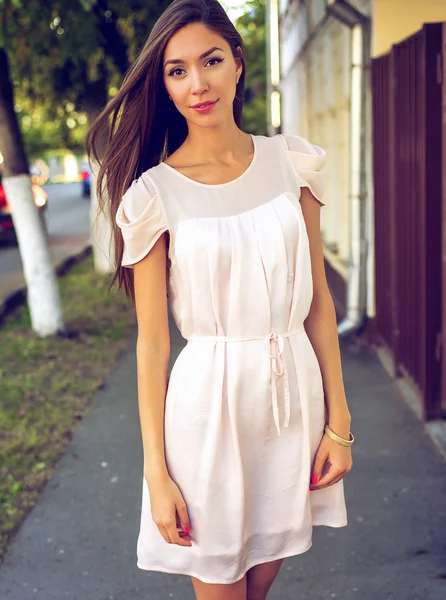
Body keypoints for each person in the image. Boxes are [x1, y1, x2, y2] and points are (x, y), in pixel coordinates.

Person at [86, 0, 354, 597]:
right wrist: (156, 471)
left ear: (238, 62)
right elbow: (153, 344)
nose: (197, 83)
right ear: (164, 85)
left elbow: (318, 305)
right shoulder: (153, 195)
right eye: (176, 71)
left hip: (292, 401)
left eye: (210, 61)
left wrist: (340, 421)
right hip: (207, 409)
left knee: (258, 586)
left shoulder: (293, 163)